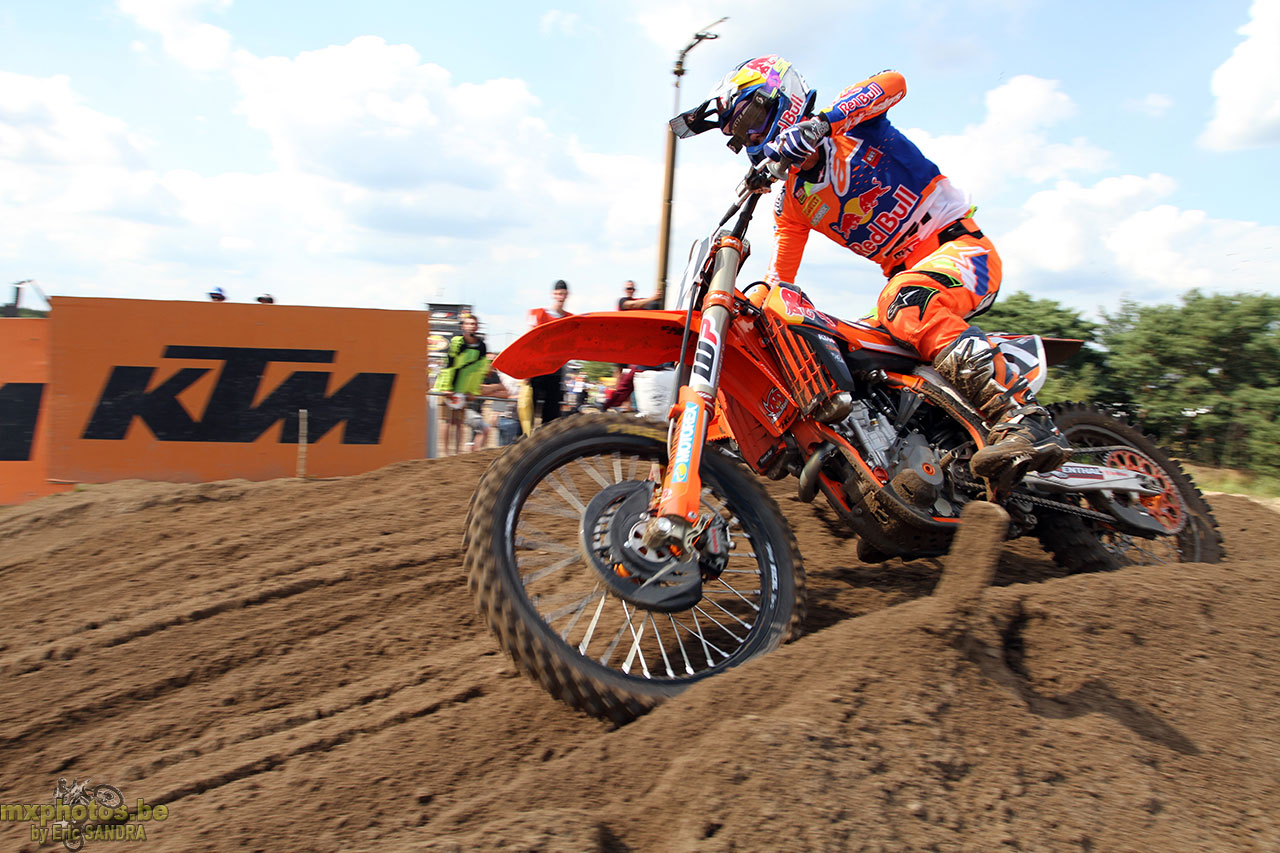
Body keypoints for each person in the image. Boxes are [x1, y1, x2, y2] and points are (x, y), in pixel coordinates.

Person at [670, 56, 1068, 479]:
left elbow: (894, 81)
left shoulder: (852, 124)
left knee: (904, 302)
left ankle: (1025, 419)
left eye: (751, 119)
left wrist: (822, 124)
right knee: (844, 354)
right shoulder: (792, 202)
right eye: (739, 133)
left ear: (781, 98)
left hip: (961, 249)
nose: (751, 136)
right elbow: (780, 279)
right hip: (905, 281)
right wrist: (749, 308)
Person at [432, 313, 489, 455]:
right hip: (449, 387)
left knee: (459, 422)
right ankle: (445, 454)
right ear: (463, 326)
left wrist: (473, 391)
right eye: (468, 324)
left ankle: (457, 453)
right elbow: (450, 365)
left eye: (474, 324)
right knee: (447, 421)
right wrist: (446, 388)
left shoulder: (482, 346)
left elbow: (479, 371)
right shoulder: (457, 342)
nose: (471, 326)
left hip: (463, 390)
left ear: (477, 327)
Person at [525, 280, 573, 429]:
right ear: (553, 294)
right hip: (537, 368)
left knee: (551, 413)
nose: (560, 297)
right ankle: (523, 438)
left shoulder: (569, 318)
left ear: (567, 295)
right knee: (529, 409)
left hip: (555, 369)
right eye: (558, 293)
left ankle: (546, 437)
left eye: (563, 294)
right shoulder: (538, 314)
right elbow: (529, 340)